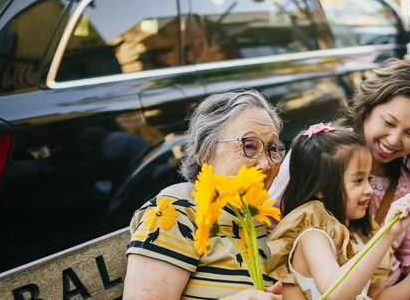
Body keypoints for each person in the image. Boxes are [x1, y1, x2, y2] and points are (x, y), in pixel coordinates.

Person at [268, 59, 410, 299]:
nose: (394, 140)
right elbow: (271, 226)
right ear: (368, 108)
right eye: (388, 123)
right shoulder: (321, 154)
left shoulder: (409, 176)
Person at [123, 90, 298, 300]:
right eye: (249, 146)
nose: (266, 163)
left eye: (272, 149)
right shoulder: (176, 212)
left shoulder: (257, 217)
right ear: (206, 152)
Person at [268, 124, 410, 300]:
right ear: (322, 187)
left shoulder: (356, 238)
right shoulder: (313, 237)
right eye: (358, 180)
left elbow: (376, 297)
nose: (369, 189)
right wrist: (387, 234)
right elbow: (336, 293)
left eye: (369, 179)